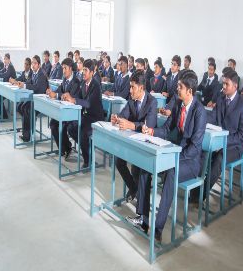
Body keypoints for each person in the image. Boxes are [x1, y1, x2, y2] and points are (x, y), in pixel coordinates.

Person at [127, 70, 206, 240]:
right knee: (146, 166)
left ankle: (158, 228)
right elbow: (167, 129)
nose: (177, 89)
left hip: (190, 162)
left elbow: (195, 147)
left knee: (171, 173)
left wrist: (174, 157)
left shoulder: (199, 111)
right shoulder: (178, 104)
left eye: (180, 87)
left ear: (190, 91)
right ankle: (143, 218)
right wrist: (152, 131)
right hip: (174, 153)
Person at [201, 69, 243, 197]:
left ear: (235, 86)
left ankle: (200, 195)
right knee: (202, 151)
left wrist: (222, 143)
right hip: (219, 141)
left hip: (235, 146)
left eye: (226, 84)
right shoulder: (221, 99)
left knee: (219, 158)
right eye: (223, 83)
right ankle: (196, 187)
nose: (223, 87)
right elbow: (213, 118)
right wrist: (202, 122)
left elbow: (242, 136)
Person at [111, 70, 157, 203]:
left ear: (141, 88)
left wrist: (131, 125)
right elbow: (124, 113)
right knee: (119, 162)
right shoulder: (131, 99)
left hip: (145, 142)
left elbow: (149, 125)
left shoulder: (152, 102)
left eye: (133, 87)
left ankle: (139, 196)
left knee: (137, 169)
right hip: (132, 139)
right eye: (130, 87)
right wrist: (117, 119)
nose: (130, 90)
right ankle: (134, 188)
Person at [64, 59, 104, 168]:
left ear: (91, 72)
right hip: (86, 115)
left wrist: (74, 100)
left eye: (86, 70)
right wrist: (70, 98)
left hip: (95, 117)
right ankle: (86, 148)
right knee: (71, 128)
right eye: (83, 70)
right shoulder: (82, 83)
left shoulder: (96, 85)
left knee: (83, 133)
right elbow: (79, 98)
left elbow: (89, 103)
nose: (83, 73)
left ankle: (88, 159)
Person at [47, 58, 81, 159]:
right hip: (64, 111)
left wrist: (56, 94)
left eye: (65, 68)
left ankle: (67, 148)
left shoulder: (76, 82)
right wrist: (51, 92)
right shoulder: (65, 79)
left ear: (70, 68)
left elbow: (69, 96)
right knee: (53, 124)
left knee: (62, 125)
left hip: (72, 113)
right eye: (62, 68)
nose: (63, 70)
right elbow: (60, 90)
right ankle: (63, 148)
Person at [16, 55, 48, 142]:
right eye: (32, 63)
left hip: (41, 101)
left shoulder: (41, 74)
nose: (33, 65)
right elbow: (29, 82)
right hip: (34, 98)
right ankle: (29, 128)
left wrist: (25, 85)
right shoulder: (33, 73)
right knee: (20, 107)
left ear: (39, 65)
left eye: (35, 63)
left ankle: (27, 135)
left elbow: (36, 87)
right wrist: (20, 83)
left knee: (26, 109)